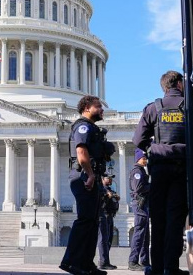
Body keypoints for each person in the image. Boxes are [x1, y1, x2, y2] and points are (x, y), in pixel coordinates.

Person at [132, 71, 188, 275]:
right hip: (182, 166)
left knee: (158, 219)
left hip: (160, 167)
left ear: (164, 87)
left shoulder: (153, 108)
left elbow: (138, 140)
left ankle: (156, 268)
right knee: (175, 219)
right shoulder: (189, 106)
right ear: (180, 84)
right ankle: (171, 267)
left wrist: (154, 147)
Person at [60, 95, 109, 275]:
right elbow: (81, 152)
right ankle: (71, 262)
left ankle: (87, 264)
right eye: (99, 106)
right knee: (85, 220)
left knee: (92, 222)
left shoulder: (93, 129)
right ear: (87, 107)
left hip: (91, 177)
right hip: (83, 177)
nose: (102, 109)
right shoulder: (82, 126)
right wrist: (89, 174)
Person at [127, 148, 151, 272]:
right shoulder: (137, 171)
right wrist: (151, 186)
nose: (145, 160)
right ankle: (133, 261)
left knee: (145, 234)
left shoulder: (141, 171)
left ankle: (145, 261)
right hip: (140, 203)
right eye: (143, 158)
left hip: (144, 204)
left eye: (146, 158)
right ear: (138, 159)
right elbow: (138, 188)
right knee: (139, 232)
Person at [97, 175, 120, 270]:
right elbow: (100, 201)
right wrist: (106, 195)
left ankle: (105, 260)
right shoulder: (101, 189)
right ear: (102, 179)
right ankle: (103, 262)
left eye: (111, 178)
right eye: (107, 177)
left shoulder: (111, 190)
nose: (110, 179)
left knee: (109, 239)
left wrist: (115, 197)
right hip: (103, 215)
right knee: (103, 239)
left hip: (110, 215)